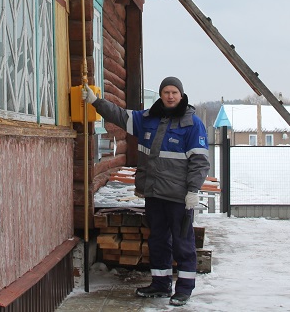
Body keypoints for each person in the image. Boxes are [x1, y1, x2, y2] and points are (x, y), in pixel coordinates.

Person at [83, 76, 210, 307]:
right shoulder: (147, 119)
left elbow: (200, 162)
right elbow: (120, 115)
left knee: (183, 243)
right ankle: (160, 285)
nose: (170, 96)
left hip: (179, 198)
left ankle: (184, 289)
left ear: (181, 95)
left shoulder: (192, 124)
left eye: (174, 92)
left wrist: (193, 190)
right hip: (154, 195)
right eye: (166, 92)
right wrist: (95, 102)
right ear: (161, 95)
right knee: (158, 240)